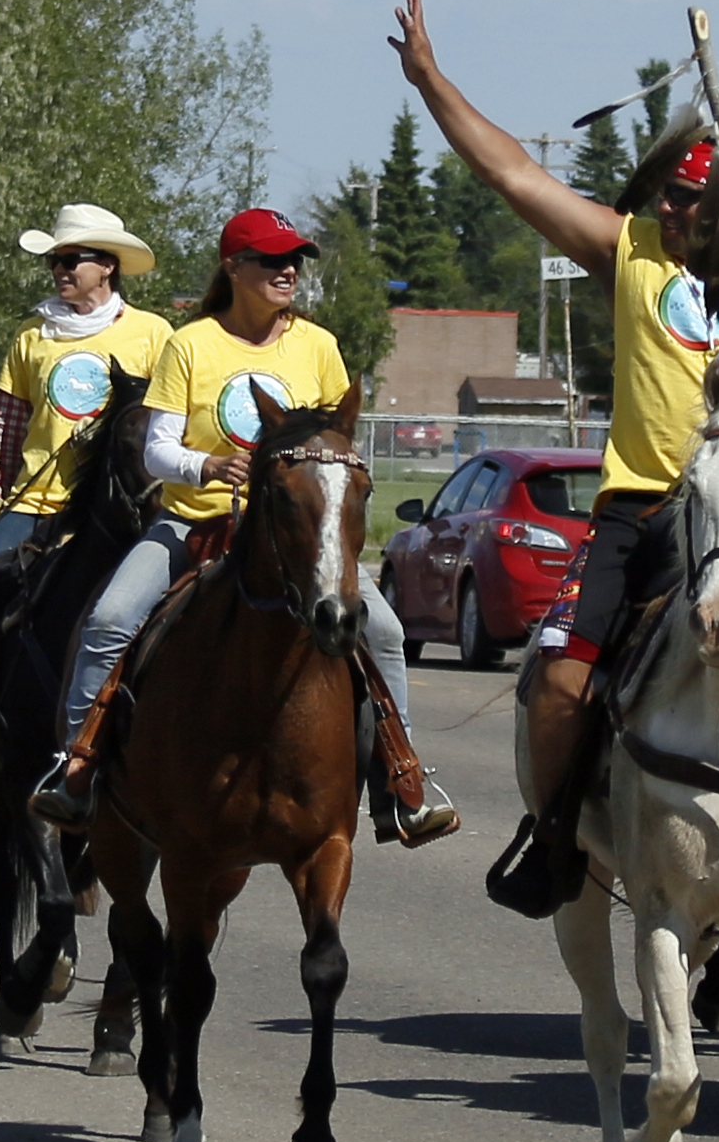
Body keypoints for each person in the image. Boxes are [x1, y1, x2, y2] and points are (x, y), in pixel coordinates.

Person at [385, 0, 719, 917]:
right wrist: (432, 84)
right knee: (559, 681)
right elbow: (516, 175)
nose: (666, 211)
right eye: (663, 196)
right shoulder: (634, 252)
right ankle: (557, 833)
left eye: (686, 197)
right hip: (644, 510)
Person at [30, 207, 458, 843]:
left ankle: (401, 781)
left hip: (296, 539)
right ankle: (77, 769)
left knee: (387, 631)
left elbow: (338, 443)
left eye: (294, 261)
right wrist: (208, 465)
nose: (287, 271)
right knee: (111, 618)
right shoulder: (190, 343)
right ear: (234, 268)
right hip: (194, 523)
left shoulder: (318, 347)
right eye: (271, 260)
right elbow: (156, 449)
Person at [0, 204, 173, 785]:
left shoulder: (154, 335)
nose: (60, 270)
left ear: (108, 268)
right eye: (56, 261)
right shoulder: (31, 336)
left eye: (72, 260)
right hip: (39, 501)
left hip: (132, 506)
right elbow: (7, 430)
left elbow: (172, 423)